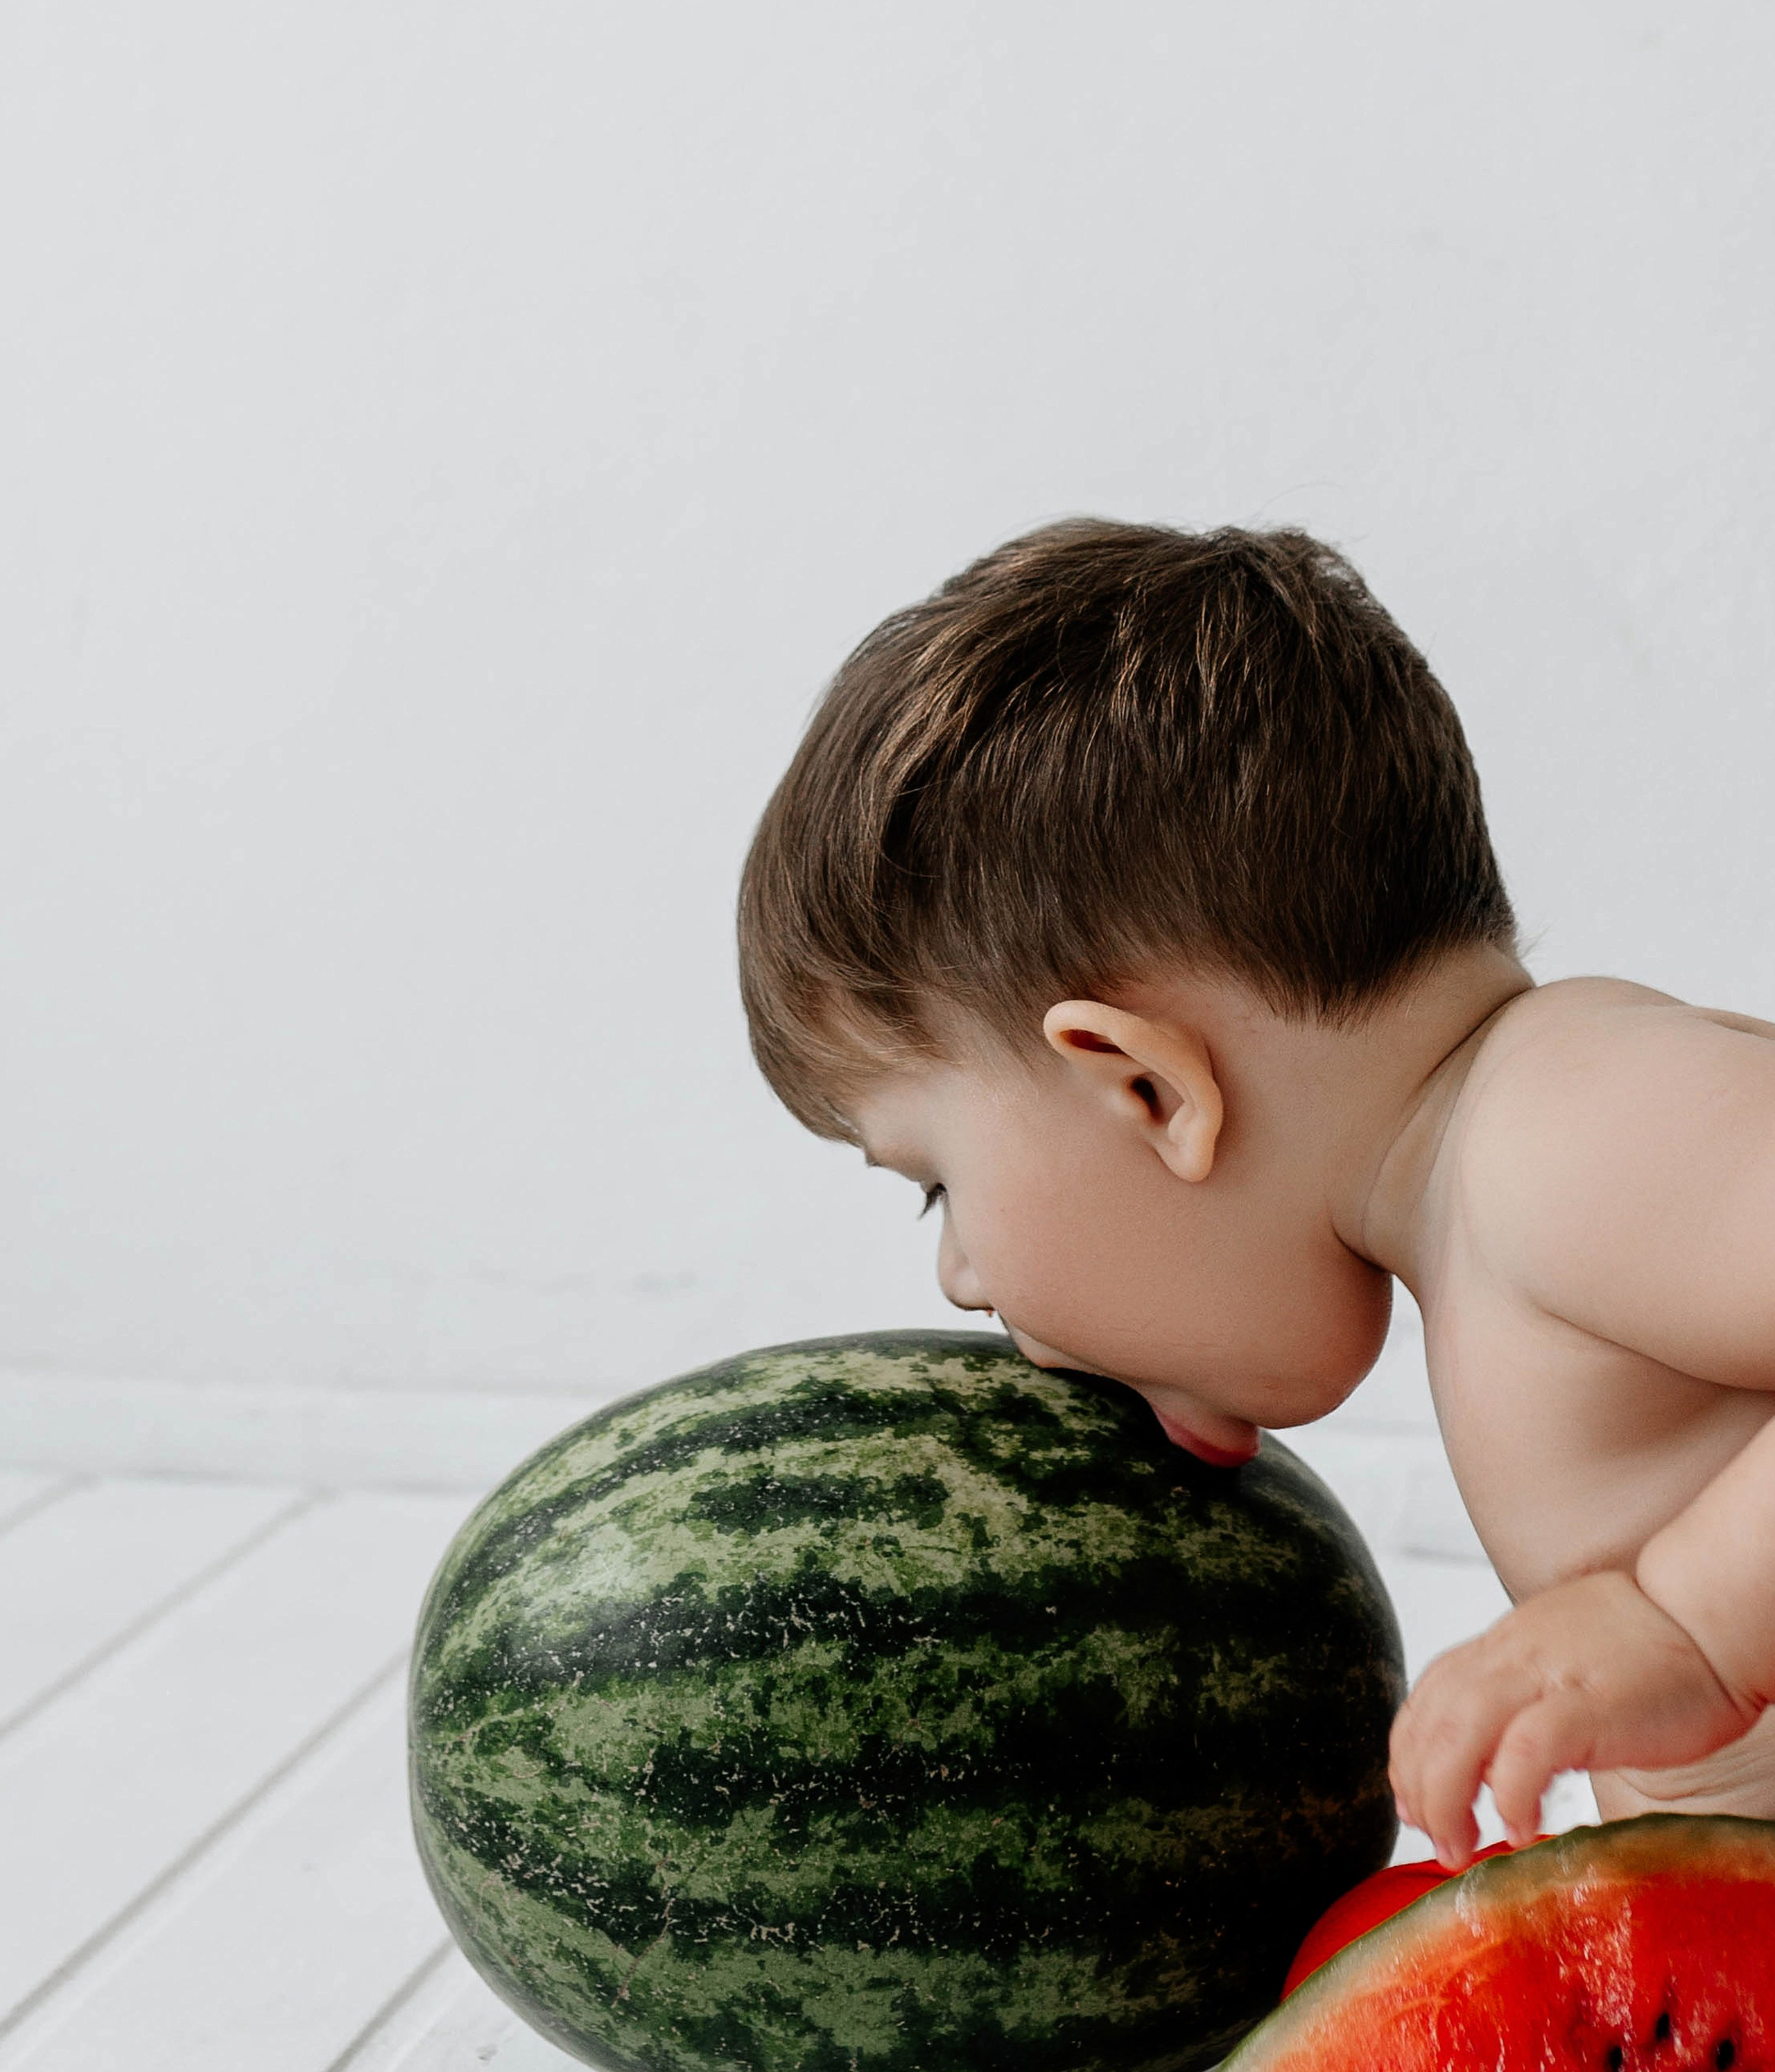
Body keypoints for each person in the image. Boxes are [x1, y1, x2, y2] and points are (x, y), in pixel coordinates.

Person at [736, 518, 1775, 1871]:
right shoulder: (1491, 1203)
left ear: (1144, 1090)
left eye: (938, 1185)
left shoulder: (1561, 1132)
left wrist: (1684, 1621)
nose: (962, 1282)